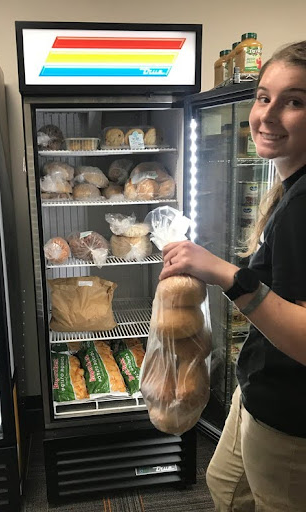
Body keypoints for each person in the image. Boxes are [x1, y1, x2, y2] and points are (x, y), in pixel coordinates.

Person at [160, 40, 306, 512]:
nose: (267, 115)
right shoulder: (290, 189)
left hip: (291, 416)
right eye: (264, 97)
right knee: (224, 487)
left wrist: (225, 274)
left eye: (295, 102)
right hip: (260, 391)